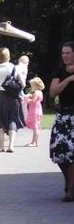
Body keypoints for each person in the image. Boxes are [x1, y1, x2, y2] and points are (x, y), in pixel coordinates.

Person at [48, 41, 74, 202]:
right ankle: (69, 183)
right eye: (63, 53)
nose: (65, 56)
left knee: (71, 153)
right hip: (62, 116)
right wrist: (69, 79)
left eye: (68, 53)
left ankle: (70, 190)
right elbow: (52, 92)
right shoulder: (59, 70)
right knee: (58, 151)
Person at [0, 47, 26, 153]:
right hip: (14, 97)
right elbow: (23, 84)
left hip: (2, 96)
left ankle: (1, 146)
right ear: (8, 56)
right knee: (13, 119)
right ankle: (11, 145)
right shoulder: (15, 68)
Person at [24, 77, 45, 147]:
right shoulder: (40, 92)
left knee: (36, 127)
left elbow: (33, 101)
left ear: (36, 85)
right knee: (37, 126)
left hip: (34, 110)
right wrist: (30, 96)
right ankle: (35, 142)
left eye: (32, 85)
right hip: (38, 110)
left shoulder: (36, 92)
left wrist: (26, 98)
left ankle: (33, 142)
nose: (31, 86)